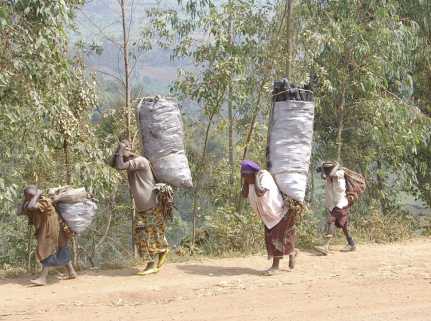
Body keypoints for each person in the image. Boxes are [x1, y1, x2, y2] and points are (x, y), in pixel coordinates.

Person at [108, 140, 169, 275]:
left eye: (123, 156)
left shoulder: (141, 161)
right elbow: (111, 163)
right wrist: (117, 149)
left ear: (129, 156)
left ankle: (151, 264)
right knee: (141, 234)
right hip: (142, 206)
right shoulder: (130, 162)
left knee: (147, 234)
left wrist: (122, 148)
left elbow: (119, 166)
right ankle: (162, 249)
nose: (121, 159)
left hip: (151, 204)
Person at [240, 160, 299, 276]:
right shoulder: (249, 181)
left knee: (276, 238)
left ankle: (275, 267)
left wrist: (256, 175)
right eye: (245, 178)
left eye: (249, 177)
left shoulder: (264, 177)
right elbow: (245, 194)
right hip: (268, 217)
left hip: (278, 213)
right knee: (274, 237)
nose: (248, 180)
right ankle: (293, 252)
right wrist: (246, 181)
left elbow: (260, 192)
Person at [16, 186, 77, 286]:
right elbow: (19, 212)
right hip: (49, 230)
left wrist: (37, 195)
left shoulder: (45, 201)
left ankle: (42, 278)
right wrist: (25, 200)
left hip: (53, 230)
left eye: (33, 195)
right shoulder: (32, 202)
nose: (31, 198)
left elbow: (31, 206)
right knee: (61, 249)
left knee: (47, 250)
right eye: (28, 197)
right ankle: (71, 272)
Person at [314, 160, 356, 255]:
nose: (327, 171)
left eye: (328, 169)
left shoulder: (340, 173)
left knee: (331, 221)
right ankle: (351, 243)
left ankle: (325, 246)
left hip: (341, 203)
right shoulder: (328, 175)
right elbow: (323, 176)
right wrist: (323, 167)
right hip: (333, 204)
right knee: (344, 225)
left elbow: (332, 174)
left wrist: (337, 165)